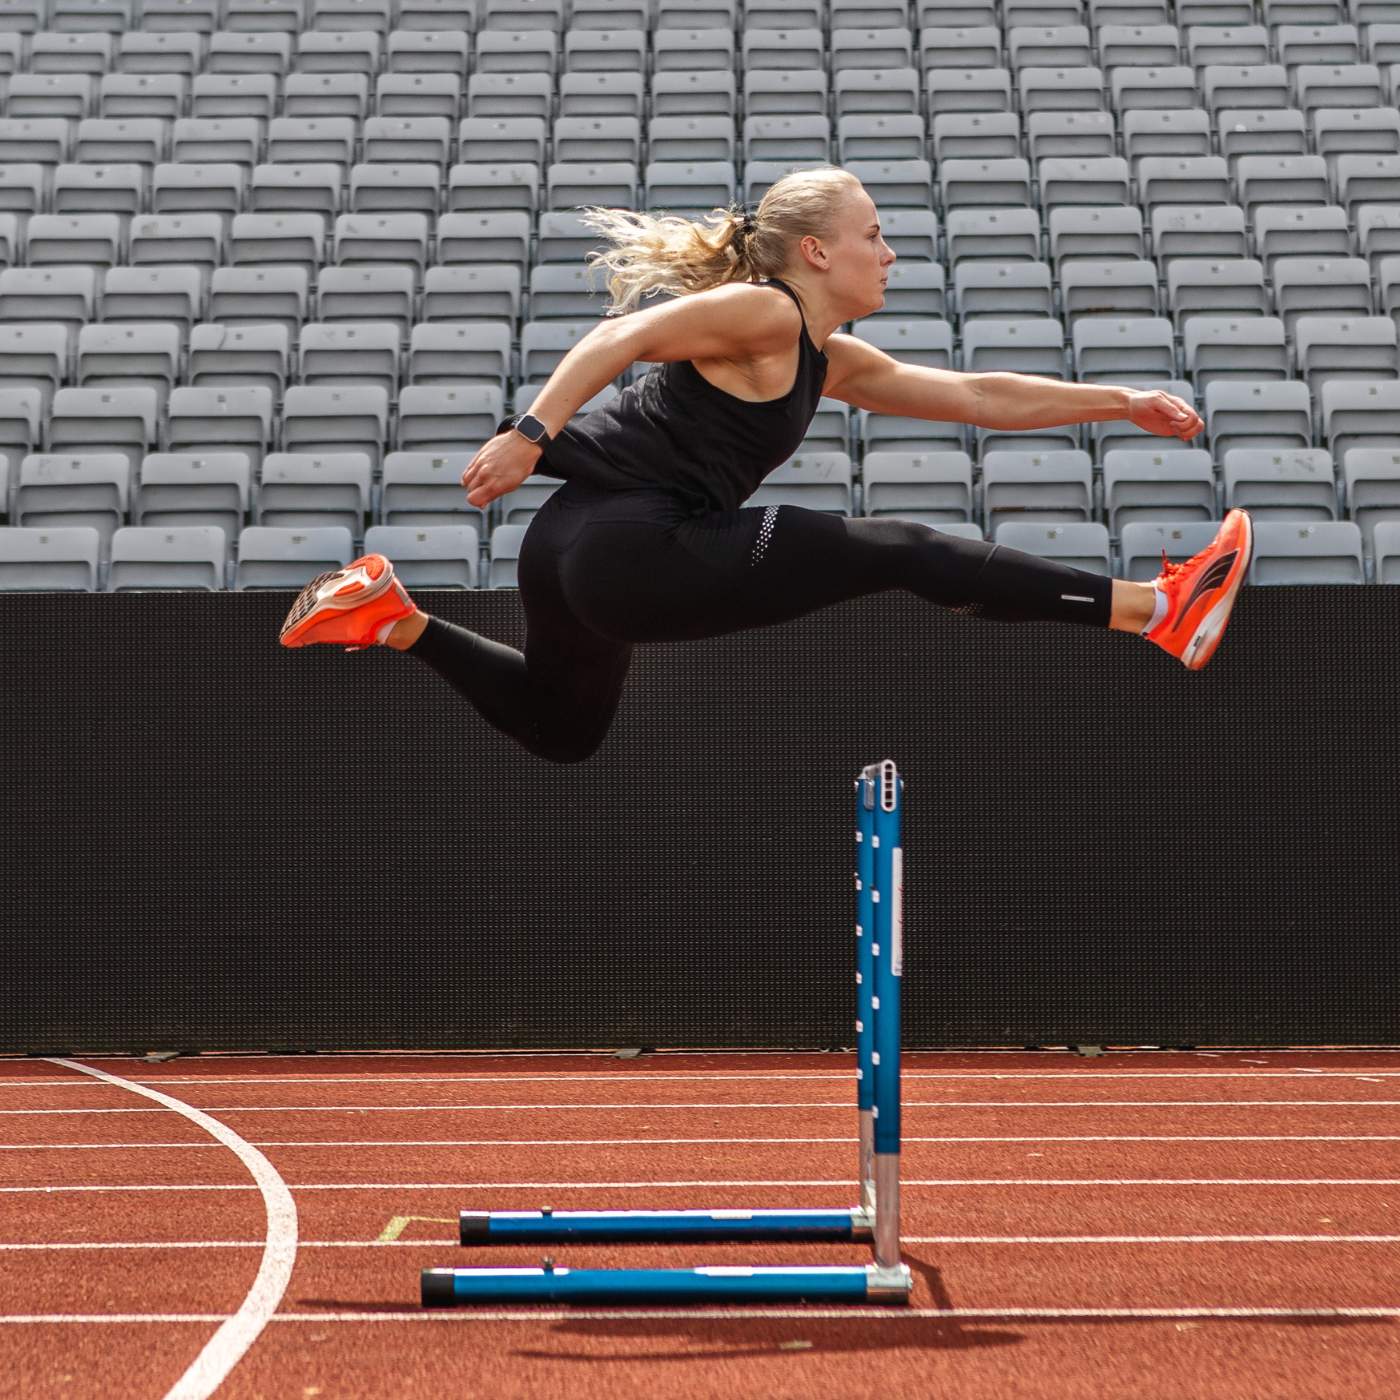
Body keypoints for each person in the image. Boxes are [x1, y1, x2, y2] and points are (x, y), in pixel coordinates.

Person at [280, 166, 1254, 764]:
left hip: (573, 542)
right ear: (816, 250)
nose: (890, 252)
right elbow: (624, 334)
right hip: (632, 544)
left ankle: (391, 618)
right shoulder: (766, 313)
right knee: (899, 546)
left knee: (562, 727)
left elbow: (976, 395)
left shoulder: (826, 357)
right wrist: (531, 430)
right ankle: (1154, 610)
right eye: (873, 234)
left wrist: (1119, 402)